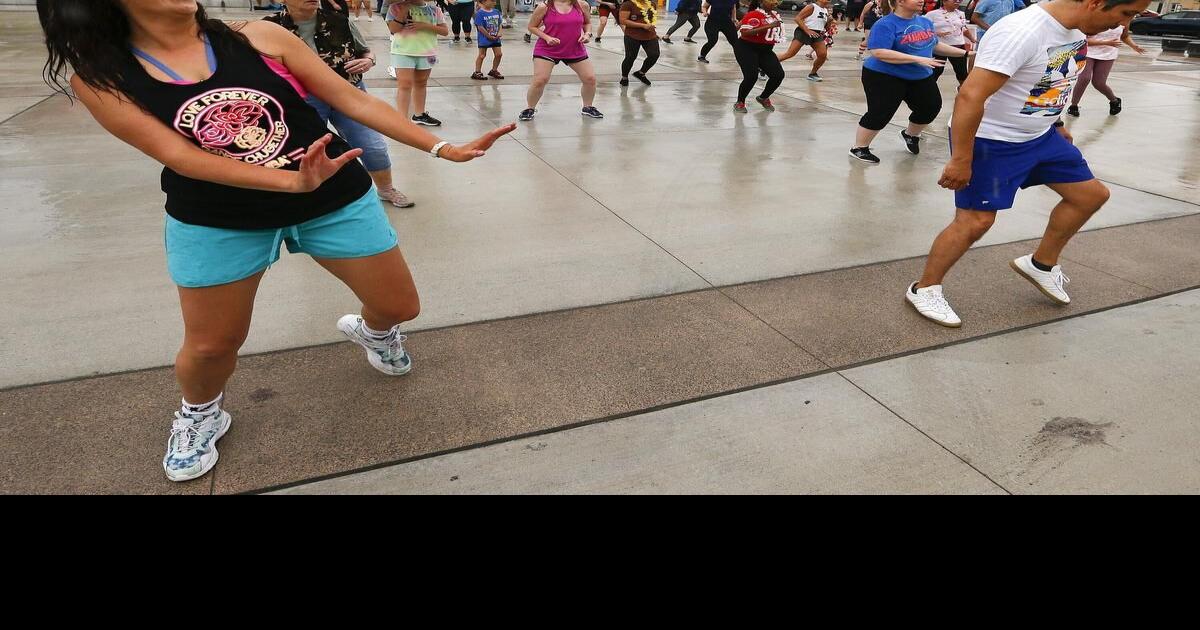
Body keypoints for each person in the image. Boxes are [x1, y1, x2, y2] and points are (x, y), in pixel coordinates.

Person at [38, 0, 512, 482]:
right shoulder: (102, 78)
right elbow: (179, 156)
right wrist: (289, 183)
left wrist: (440, 147)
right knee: (212, 346)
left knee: (399, 306)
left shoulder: (260, 37)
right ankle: (200, 413)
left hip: (332, 200)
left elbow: (353, 100)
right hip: (218, 217)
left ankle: (373, 333)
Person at [907, 0, 1150, 327]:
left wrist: (1058, 123)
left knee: (1090, 195)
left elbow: (1055, 79)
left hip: (1041, 135)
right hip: (993, 141)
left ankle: (1042, 265)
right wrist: (962, 158)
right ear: (1094, 2)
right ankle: (925, 288)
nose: (1123, 24)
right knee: (975, 221)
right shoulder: (1021, 32)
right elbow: (970, 96)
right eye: (1125, 13)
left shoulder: (1077, 28)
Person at [266, 0, 415, 208]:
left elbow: (365, 51)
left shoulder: (338, 20)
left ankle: (386, 189)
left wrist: (369, 60)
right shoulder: (269, 28)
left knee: (372, 145)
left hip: (348, 93)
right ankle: (311, 196)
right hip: (303, 100)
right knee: (306, 151)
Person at [850, 0, 972, 163]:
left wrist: (965, 54)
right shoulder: (885, 24)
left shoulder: (925, 22)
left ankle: (910, 135)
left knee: (930, 106)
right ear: (900, 1)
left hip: (919, 74)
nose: (922, 1)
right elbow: (879, 52)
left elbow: (934, 45)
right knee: (881, 112)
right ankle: (859, 148)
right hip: (884, 75)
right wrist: (916, 59)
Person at [521, 0, 603, 120]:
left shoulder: (582, 5)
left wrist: (587, 34)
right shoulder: (545, 6)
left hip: (574, 48)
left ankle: (588, 107)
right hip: (547, 48)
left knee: (590, 78)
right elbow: (532, 26)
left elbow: (587, 23)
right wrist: (547, 37)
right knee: (540, 80)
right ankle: (529, 108)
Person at [387, 0, 449, 126]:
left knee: (421, 83)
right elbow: (393, 29)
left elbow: (444, 31)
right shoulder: (395, 7)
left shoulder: (435, 10)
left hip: (426, 52)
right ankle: (401, 119)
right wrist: (404, 10)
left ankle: (419, 115)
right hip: (402, 51)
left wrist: (424, 26)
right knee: (405, 85)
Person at [1067, 23, 1145, 117]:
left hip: (1108, 54)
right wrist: (1105, 42)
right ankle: (1073, 106)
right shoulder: (1098, 16)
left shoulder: (1125, 20)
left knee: (1099, 83)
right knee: (1084, 78)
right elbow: (1083, 40)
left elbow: (1124, 36)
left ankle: (1114, 100)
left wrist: (1134, 46)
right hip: (1088, 52)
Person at [733, 0, 786, 112]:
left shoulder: (774, 15)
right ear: (762, 2)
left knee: (778, 75)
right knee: (751, 76)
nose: (774, 3)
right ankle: (740, 102)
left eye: (776, 1)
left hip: (765, 50)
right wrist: (768, 26)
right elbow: (745, 32)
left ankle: (763, 97)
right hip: (746, 48)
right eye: (771, 1)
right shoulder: (754, 14)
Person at [777, 0, 833, 82]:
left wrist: (829, 22)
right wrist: (807, 30)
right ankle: (765, 66)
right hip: (803, 32)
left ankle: (813, 74)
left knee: (822, 55)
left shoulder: (825, 10)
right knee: (790, 54)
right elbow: (797, 18)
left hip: (816, 33)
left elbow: (826, 28)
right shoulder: (812, 6)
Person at [926, 0, 976, 85]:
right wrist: (936, 33)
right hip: (940, 47)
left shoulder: (961, 13)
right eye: (954, 0)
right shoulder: (932, 14)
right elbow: (922, 29)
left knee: (962, 72)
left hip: (958, 46)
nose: (957, 1)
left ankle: (963, 90)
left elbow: (963, 28)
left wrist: (972, 39)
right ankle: (929, 89)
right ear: (944, 2)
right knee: (936, 71)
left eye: (959, 0)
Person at [619, 0, 660, 85]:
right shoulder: (628, 4)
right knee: (630, 57)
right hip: (632, 35)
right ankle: (624, 77)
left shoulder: (652, 4)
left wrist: (654, 31)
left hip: (649, 35)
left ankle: (641, 73)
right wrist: (642, 26)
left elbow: (651, 20)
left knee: (654, 54)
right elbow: (623, 20)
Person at [472, 0, 506, 79]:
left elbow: (499, 23)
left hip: (496, 38)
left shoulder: (496, 11)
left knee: (499, 54)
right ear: (483, 1)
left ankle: (494, 70)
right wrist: (488, 35)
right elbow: (480, 27)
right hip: (484, 38)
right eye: (492, 1)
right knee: (482, 55)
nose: (495, 3)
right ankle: (477, 72)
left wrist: (499, 32)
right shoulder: (480, 13)